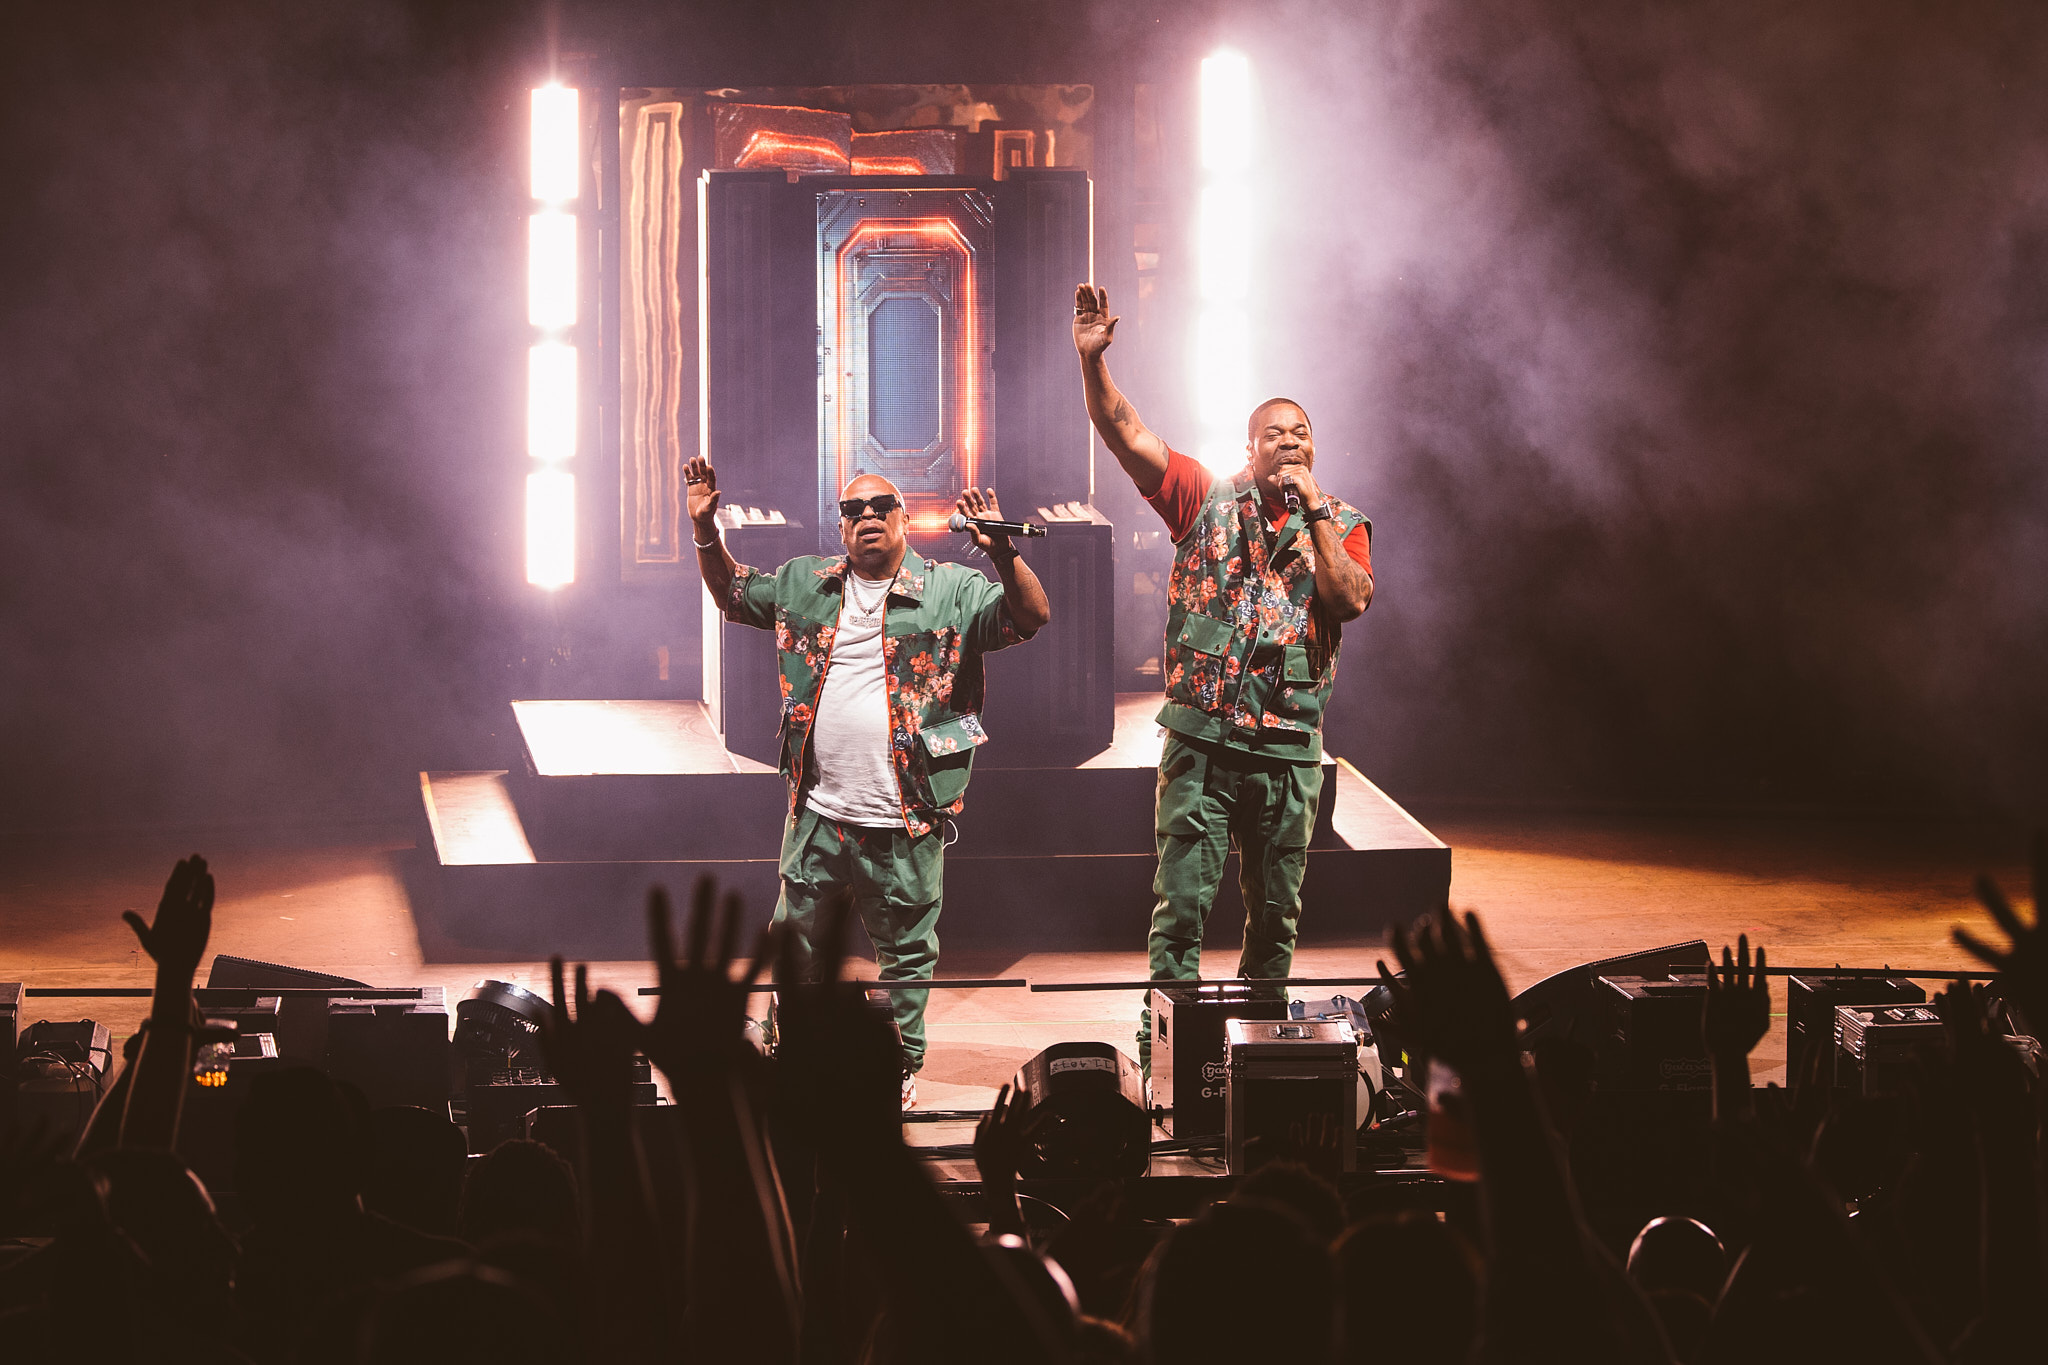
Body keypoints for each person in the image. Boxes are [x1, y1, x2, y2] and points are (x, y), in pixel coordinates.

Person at [1071, 282, 1374, 1070]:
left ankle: (1262, 1060)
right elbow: (1125, 432)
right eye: (1275, 433)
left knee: (1274, 921)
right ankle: (1166, 1059)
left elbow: (1349, 600)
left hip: (1287, 754)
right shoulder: (1204, 498)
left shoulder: (1342, 524)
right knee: (1181, 912)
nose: (1290, 441)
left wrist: (1314, 513)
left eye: (1302, 432)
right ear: (1250, 448)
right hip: (1203, 746)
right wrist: (1093, 363)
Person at [685, 455, 1050, 1106]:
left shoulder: (950, 589)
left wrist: (1002, 552)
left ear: (904, 518)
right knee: (794, 947)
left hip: (905, 815)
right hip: (818, 814)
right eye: (853, 510)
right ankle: (791, 1056)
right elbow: (733, 593)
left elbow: (1031, 615)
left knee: (906, 957)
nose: (868, 517)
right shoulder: (805, 584)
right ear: (841, 527)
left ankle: (897, 1067)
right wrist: (705, 531)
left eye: (882, 506)